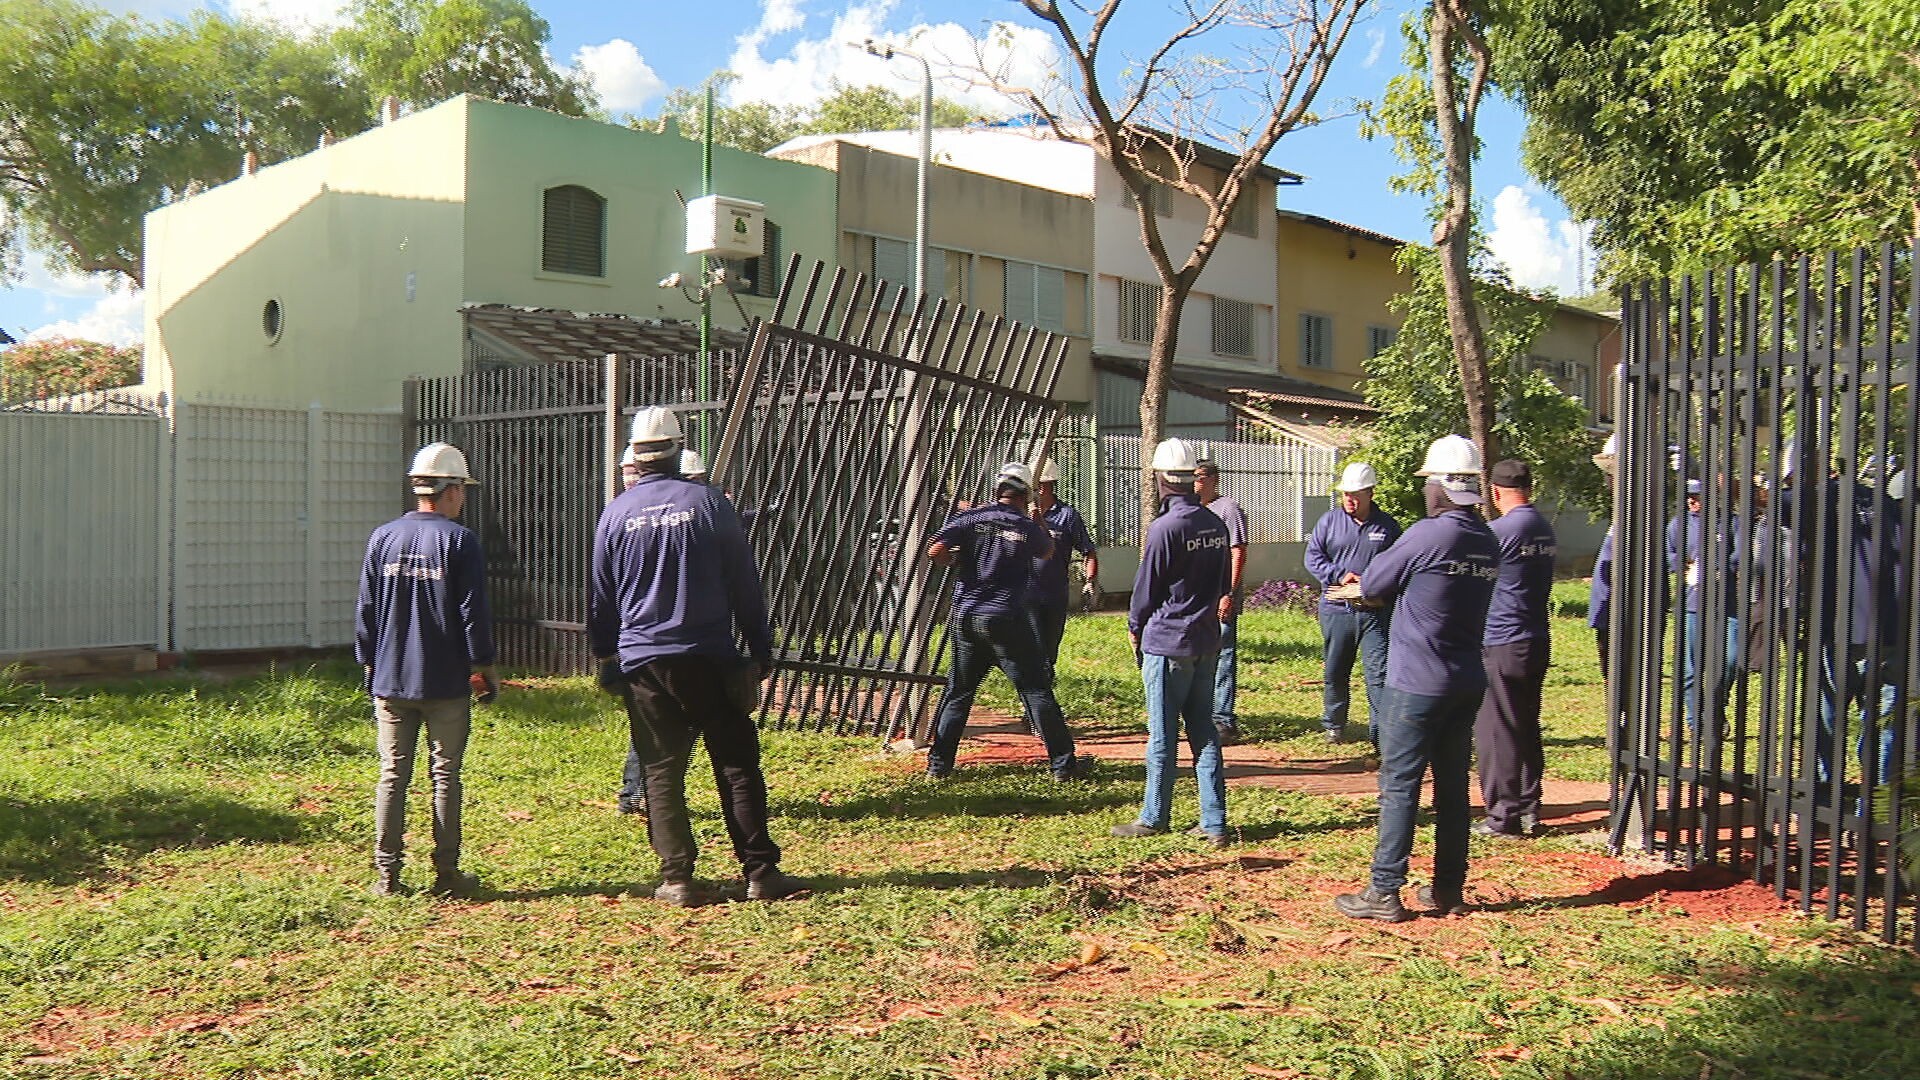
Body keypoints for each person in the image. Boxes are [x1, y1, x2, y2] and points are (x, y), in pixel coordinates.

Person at [589, 407, 807, 907]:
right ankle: (759, 872)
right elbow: (744, 583)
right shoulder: (709, 504)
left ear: (635, 456)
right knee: (735, 762)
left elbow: (601, 594)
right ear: (676, 448)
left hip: (642, 659)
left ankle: (677, 879)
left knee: (660, 768)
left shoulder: (616, 513)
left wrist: (606, 654)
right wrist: (759, 645)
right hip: (708, 654)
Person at [1335, 435, 1498, 922]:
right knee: (1452, 788)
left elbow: (1377, 583)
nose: (1425, 491)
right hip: (1466, 677)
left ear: (1444, 487)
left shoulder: (1429, 534)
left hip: (1417, 682)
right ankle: (1448, 889)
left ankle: (1384, 891)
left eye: (1428, 482)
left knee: (1400, 784)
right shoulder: (1486, 540)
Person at [356, 442, 497, 898]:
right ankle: (447, 874)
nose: (465, 498)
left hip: (391, 678)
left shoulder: (383, 537)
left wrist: (368, 662)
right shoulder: (460, 540)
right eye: (463, 489)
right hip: (444, 680)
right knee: (445, 775)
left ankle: (386, 874)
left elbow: (367, 609)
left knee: (392, 774)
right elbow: (473, 611)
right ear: (451, 489)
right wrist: (483, 667)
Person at [923, 463, 1094, 782]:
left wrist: (958, 561)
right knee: (1035, 689)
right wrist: (1037, 517)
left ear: (996, 489)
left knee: (959, 691)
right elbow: (1046, 552)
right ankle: (1063, 765)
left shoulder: (972, 517)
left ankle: (939, 765)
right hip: (1006, 619)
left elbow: (935, 551)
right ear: (1027, 493)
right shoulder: (1026, 525)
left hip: (967, 616)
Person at [1112, 438, 1233, 848]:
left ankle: (1153, 816)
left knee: (1162, 735)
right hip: (1205, 641)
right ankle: (1214, 822)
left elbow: (1147, 589)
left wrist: (1134, 625)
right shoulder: (1215, 524)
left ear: (1162, 478)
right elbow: (1221, 584)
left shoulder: (1165, 528)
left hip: (1168, 643)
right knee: (1203, 730)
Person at [1474, 460, 1558, 839]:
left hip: (1502, 639)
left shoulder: (1500, 531)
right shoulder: (1542, 526)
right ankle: (1528, 806)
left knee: (1498, 728)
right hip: (1535, 636)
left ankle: (1503, 816)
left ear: (1493, 492)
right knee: (1524, 723)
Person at [1305, 462, 1403, 746]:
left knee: (1378, 673)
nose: (1349, 499)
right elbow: (1313, 558)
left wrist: (1378, 585)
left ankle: (1380, 732)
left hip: (1374, 612)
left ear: (1370, 493)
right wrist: (1339, 575)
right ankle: (1334, 724)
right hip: (1337, 610)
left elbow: (1398, 564)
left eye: (1356, 494)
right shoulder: (1329, 522)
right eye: (1346, 494)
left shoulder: (1387, 527)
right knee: (1336, 670)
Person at [1668, 478, 1744, 738]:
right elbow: (1669, 553)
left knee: (1729, 661)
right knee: (1691, 668)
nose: (1691, 500)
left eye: (1697, 496)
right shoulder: (1679, 524)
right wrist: (1684, 567)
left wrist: (1722, 569)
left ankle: (1716, 708)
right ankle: (1695, 722)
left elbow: (1741, 553)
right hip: (1693, 604)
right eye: (1689, 495)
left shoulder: (1731, 522)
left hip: (1726, 603)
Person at [1193, 459, 1250, 745]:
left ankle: (1224, 720)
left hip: (1220, 598)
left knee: (1223, 656)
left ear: (1214, 479)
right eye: (1192, 477)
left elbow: (1238, 551)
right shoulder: (1191, 511)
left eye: (1200, 478)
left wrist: (1228, 592)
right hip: (1196, 599)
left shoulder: (1227, 509)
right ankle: (1202, 714)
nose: (1195, 483)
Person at [1028, 457, 1099, 679]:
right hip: (1026, 593)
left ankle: (1044, 689)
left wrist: (1090, 581)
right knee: (1031, 647)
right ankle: (1034, 695)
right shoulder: (1021, 514)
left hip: (1055, 593)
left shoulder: (1067, 515)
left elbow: (1088, 550)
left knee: (1049, 648)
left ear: (1047, 485)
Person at [1589, 436, 1616, 680]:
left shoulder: (1636, 519)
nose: (1608, 480)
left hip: (1619, 615)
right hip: (1607, 612)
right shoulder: (1621, 515)